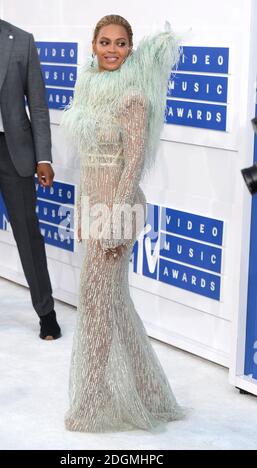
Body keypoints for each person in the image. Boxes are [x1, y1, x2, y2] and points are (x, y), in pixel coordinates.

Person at [61, 14, 184, 432]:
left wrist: (113, 220)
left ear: (130, 49)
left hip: (120, 209)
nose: (112, 50)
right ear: (92, 45)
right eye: (104, 42)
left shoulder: (133, 96)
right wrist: (82, 209)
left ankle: (91, 401)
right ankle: (151, 393)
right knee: (112, 303)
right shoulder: (86, 88)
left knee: (96, 306)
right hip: (94, 206)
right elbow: (85, 161)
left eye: (120, 44)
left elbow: (132, 164)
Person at [0, 0, 61, 340]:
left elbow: (37, 104)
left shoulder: (22, 41)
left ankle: (46, 312)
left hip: (13, 149)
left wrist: (44, 158)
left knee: (28, 233)